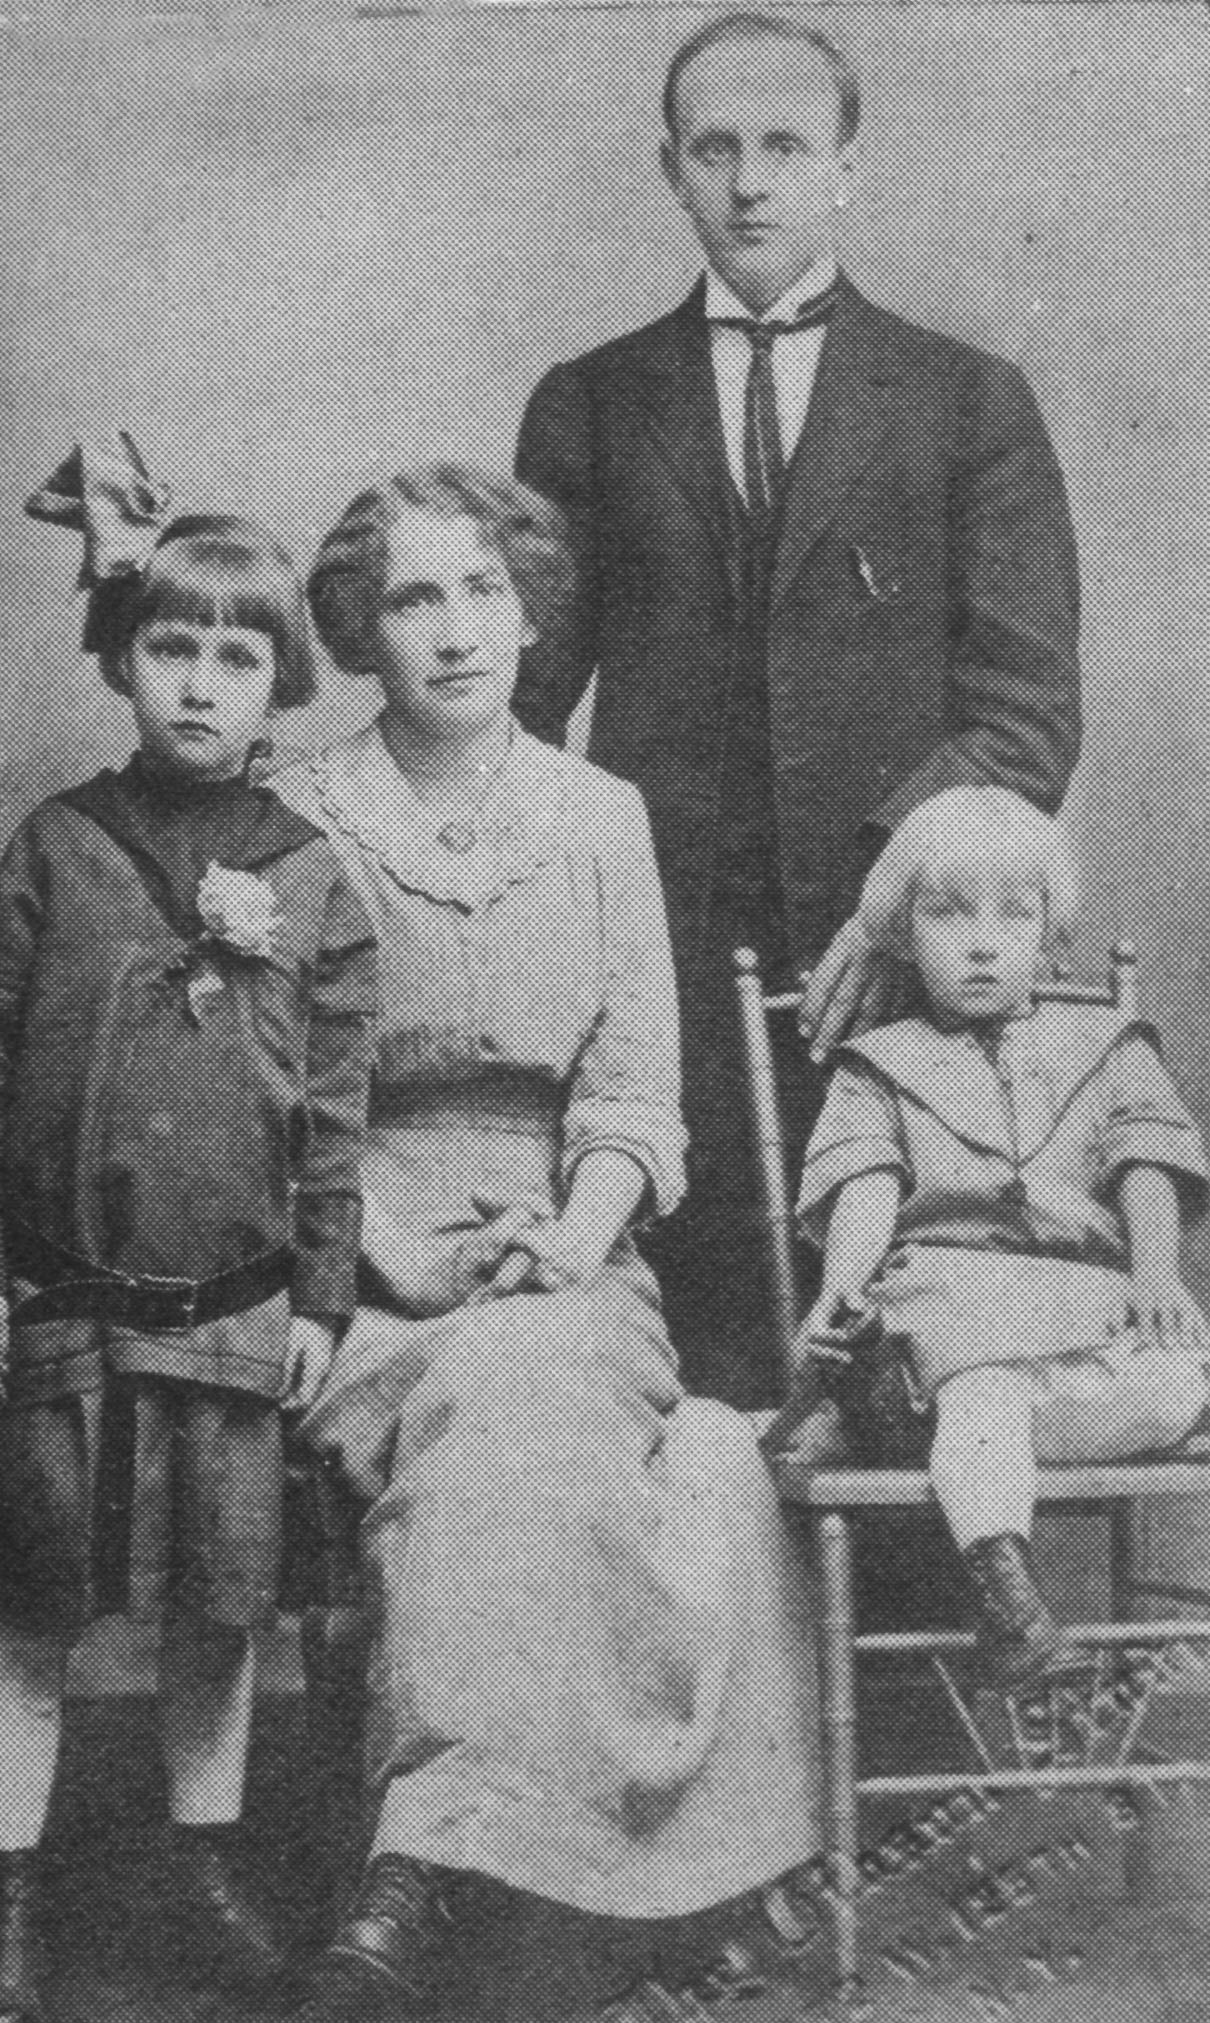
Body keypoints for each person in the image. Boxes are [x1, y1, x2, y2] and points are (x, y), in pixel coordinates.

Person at [275, 465, 819, 2023]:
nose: (454, 630)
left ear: (528, 610)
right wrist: (392, 1250)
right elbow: (273, 1093)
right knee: (489, 1406)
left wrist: (573, 1238)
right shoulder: (301, 815)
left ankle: (412, 1879)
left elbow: (638, 1090)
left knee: (537, 1382)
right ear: (362, 630)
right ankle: (496, 1866)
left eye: (481, 591)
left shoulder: (599, 816)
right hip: (358, 1264)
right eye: (411, 598)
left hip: (569, 1249)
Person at [514, 12, 1082, 1403]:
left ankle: (927, 1617)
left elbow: (1024, 710)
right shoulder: (588, 403)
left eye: (784, 146)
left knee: (909, 1322)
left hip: (905, 968)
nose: (750, 182)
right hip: (660, 958)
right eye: (715, 150)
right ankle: (726, 1628)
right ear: (669, 170)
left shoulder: (965, 402)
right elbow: (512, 714)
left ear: (845, 170)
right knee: (699, 1340)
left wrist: (895, 888)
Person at [0, 453, 377, 2021]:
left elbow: (335, 1111)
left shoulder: (306, 877)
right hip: (67, 1301)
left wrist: (322, 1293)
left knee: (222, 1606)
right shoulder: (56, 846)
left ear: (279, 675)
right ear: (117, 657)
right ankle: (15, 1886)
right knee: (29, 1604)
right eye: (171, 646)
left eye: (237, 653)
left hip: (232, 1304)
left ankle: (200, 1856)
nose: (201, 681)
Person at [792, 787, 1210, 1686]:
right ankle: (1010, 1600)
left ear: (1050, 932)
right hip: (957, 1316)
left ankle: (927, 1441)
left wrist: (1157, 1269)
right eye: (947, 913)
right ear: (901, 933)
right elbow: (864, 1181)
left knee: (1175, 1383)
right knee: (978, 1396)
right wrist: (845, 1281)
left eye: (1013, 915)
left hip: (1084, 1325)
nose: (982, 942)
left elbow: (1145, 1157)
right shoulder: (881, 1065)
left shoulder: (1105, 1044)